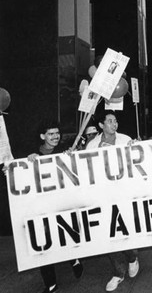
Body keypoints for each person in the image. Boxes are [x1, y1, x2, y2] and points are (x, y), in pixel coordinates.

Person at [27, 120, 83, 293]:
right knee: (43, 243)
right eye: (51, 133)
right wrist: (28, 162)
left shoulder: (64, 152)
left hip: (63, 205)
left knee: (65, 236)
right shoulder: (31, 154)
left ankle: (73, 259)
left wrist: (72, 157)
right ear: (43, 136)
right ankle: (51, 284)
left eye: (57, 133)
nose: (55, 136)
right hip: (42, 207)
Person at [86, 111, 139, 292]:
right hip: (103, 196)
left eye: (115, 121)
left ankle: (132, 257)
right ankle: (118, 273)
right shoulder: (92, 145)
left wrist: (137, 148)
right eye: (109, 121)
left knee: (126, 228)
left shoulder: (125, 140)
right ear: (101, 125)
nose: (114, 124)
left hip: (124, 193)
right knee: (109, 233)